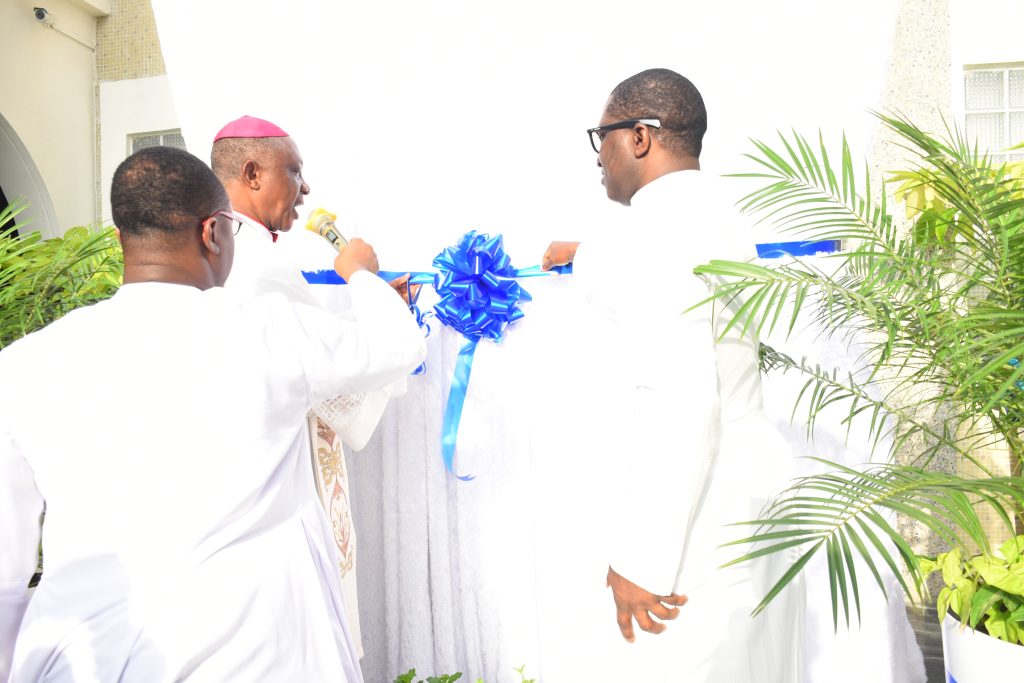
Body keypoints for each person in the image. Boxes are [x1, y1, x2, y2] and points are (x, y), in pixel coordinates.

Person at [0, 146, 425, 681]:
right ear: (213, 233)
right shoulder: (268, 329)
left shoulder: (23, 365)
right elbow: (397, 346)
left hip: (83, 657)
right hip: (255, 656)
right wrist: (360, 274)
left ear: (121, 240)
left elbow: (6, 572)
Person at [539, 68, 803, 681]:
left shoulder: (649, 235)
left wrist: (641, 558)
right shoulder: (716, 212)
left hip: (700, 509)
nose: (597, 156)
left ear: (639, 136)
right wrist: (587, 253)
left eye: (600, 135)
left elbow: (682, 396)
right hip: (756, 483)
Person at [210, 116, 409, 657]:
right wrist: (361, 277)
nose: (306, 188)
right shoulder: (255, 262)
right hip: (276, 501)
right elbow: (346, 377)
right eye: (294, 171)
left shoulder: (225, 249)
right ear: (252, 173)